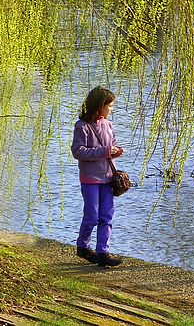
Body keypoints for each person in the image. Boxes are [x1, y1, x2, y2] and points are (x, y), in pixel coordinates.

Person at [72, 86, 124, 268]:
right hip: (90, 179)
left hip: (108, 177)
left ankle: (103, 252)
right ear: (99, 106)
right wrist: (104, 151)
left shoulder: (108, 126)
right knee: (92, 216)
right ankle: (83, 246)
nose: (111, 109)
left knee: (106, 216)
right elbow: (78, 152)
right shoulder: (82, 126)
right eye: (109, 106)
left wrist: (116, 152)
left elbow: (112, 145)